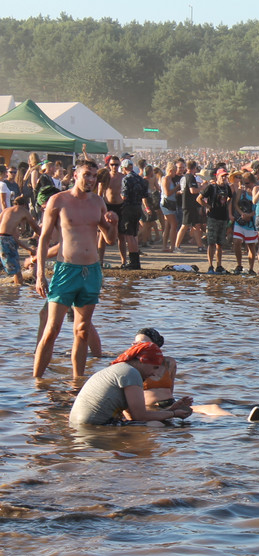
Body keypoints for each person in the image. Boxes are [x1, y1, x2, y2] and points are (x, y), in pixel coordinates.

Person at [34, 160, 118, 378]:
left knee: (82, 331)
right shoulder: (58, 200)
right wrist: (40, 275)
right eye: (86, 175)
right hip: (66, 271)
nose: (90, 180)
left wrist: (113, 223)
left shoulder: (98, 202)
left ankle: (77, 383)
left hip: (91, 272)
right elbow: (43, 240)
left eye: (93, 176)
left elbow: (109, 239)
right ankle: (36, 383)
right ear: (75, 175)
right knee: (51, 330)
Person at [69, 341, 193, 426]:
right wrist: (173, 414)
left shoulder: (122, 369)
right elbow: (140, 416)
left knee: (159, 423)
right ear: (142, 361)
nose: (154, 374)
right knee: (156, 426)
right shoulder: (131, 373)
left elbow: (131, 415)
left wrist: (171, 410)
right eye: (154, 368)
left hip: (81, 425)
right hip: (94, 426)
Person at [199, 168, 234, 274]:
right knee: (211, 243)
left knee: (220, 243)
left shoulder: (227, 187)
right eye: (222, 176)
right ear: (217, 177)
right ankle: (210, 266)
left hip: (223, 218)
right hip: (213, 217)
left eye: (225, 176)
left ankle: (219, 265)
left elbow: (230, 198)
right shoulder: (211, 187)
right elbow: (199, 198)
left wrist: (228, 211)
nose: (224, 178)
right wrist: (207, 206)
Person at [0, 195, 41, 285]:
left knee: (13, 269)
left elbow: (11, 237)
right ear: (24, 205)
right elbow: (36, 229)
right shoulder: (23, 211)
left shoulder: (6, 211)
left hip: (3, 239)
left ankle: (12, 292)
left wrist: (28, 249)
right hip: (6, 241)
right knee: (17, 272)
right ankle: (17, 292)